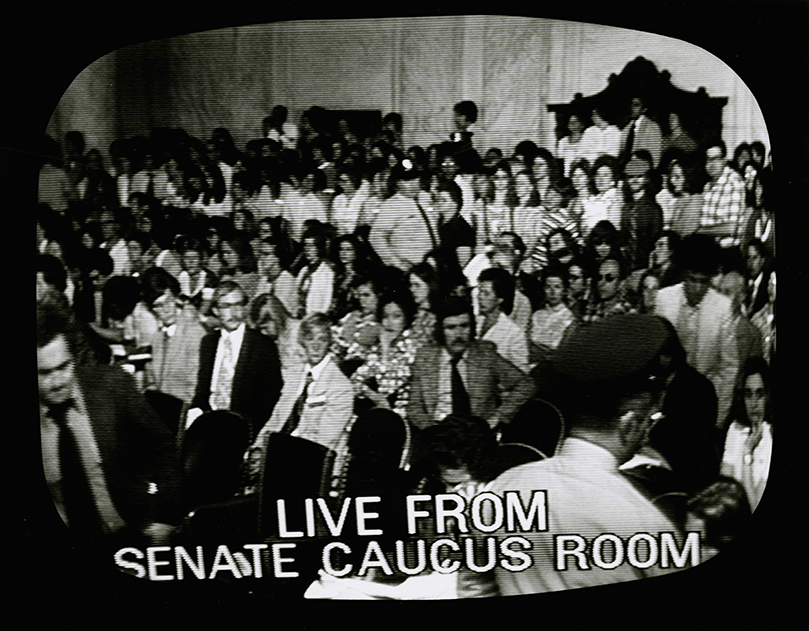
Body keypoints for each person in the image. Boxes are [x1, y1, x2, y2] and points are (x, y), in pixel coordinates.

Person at [458, 314, 685, 597]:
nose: (649, 431)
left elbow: (473, 586)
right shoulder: (645, 523)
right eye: (650, 420)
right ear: (629, 424)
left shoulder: (505, 486)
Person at [38, 300, 181, 546]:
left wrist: (166, 516)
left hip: (137, 535)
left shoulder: (111, 385)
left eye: (63, 367)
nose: (58, 381)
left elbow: (163, 445)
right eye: (44, 373)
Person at [406, 296, 535, 432]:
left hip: (476, 433)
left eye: (464, 326)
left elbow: (526, 384)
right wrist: (433, 430)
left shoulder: (485, 355)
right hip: (437, 431)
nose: (459, 334)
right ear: (440, 330)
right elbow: (414, 407)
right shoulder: (425, 358)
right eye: (451, 327)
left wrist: (498, 417)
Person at [655, 234, 739, 424]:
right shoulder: (664, 299)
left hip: (703, 405)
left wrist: (719, 418)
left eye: (704, 281)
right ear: (684, 275)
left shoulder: (722, 308)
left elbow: (729, 368)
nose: (698, 288)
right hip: (665, 402)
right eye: (693, 280)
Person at [188, 281, 283, 434]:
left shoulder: (263, 345)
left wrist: (248, 431)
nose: (234, 312)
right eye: (226, 306)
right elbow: (203, 390)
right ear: (215, 310)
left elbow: (270, 397)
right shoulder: (208, 342)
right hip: (207, 423)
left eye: (238, 304)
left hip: (241, 428)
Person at [253, 313, 353, 453]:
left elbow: (324, 440)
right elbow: (276, 419)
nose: (316, 346)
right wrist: (257, 449)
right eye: (310, 339)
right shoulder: (294, 375)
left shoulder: (341, 387)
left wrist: (278, 453)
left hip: (308, 458)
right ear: (302, 341)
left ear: (330, 342)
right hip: (276, 451)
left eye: (322, 340)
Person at [143, 269, 207, 405]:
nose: (165, 309)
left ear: (176, 297)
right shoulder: (158, 337)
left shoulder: (194, 333)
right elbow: (155, 382)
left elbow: (195, 388)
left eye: (168, 301)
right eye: (158, 305)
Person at [720, 357, 773, 511]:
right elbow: (724, 486)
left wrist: (747, 452)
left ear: (768, 396)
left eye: (760, 394)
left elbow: (755, 506)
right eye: (748, 394)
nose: (754, 403)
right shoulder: (735, 429)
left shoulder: (771, 436)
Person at [370, 162, 440, 271]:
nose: (412, 184)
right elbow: (376, 238)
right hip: (411, 267)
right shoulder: (391, 205)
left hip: (433, 264)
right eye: (406, 180)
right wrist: (396, 263)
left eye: (415, 179)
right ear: (397, 183)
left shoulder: (426, 198)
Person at [476, 267, 530, 372]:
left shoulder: (514, 334)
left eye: (486, 293)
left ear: (500, 298)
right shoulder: (474, 322)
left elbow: (521, 374)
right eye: (480, 292)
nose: (479, 297)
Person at [699, 142, 746, 244]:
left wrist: (698, 231)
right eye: (708, 159)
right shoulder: (707, 186)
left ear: (724, 160)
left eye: (716, 158)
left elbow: (731, 228)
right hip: (707, 248)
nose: (711, 163)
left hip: (725, 253)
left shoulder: (733, 182)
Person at [530, 266, 576, 361]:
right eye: (548, 287)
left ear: (564, 290)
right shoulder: (536, 315)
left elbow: (562, 353)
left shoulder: (570, 319)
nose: (552, 292)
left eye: (557, 287)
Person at [620, 96, 662, 168]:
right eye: (632, 104)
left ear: (644, 109)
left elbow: (655, 156)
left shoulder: (652, 127)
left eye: (636, 105)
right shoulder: (626, 129)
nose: (632, 107)